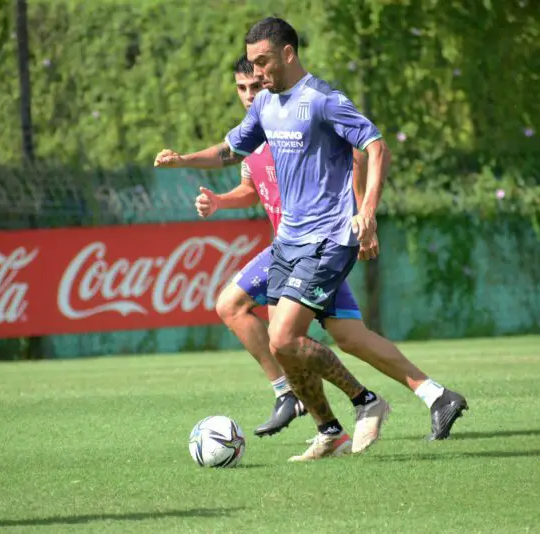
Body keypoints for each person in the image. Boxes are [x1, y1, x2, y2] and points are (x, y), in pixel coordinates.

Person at [156, 17, 392, 462]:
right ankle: (330, 430)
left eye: (262, 62)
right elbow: (230, 151)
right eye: (251, 63)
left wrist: (367, 211)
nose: (257, 72)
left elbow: (375, 145)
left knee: (284, 338)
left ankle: (367, 402)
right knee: (281, 346)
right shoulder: (264, 106)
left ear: (288, 53)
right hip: (289, 240)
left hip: (328, 237)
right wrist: (183, 159)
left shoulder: (323, 100)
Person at [197, 55, 467, 441]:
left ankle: (310, 404)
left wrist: (363, 214)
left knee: (252, 316)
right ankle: (435, 395)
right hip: (294, 250)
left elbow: (362, 149)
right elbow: (251, 189)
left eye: (255, 85)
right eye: (242, 88)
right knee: (348, 336)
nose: (250, 94)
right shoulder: (256, 133)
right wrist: (221, 201)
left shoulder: (297, 117)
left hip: (318, 246)